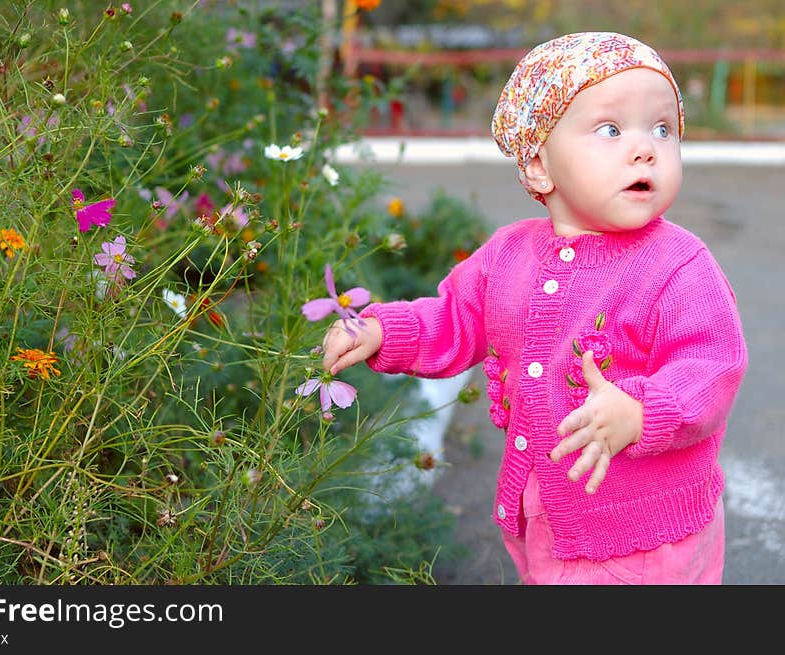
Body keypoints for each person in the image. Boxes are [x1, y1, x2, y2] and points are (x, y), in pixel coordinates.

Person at [320, 32, 748, 584]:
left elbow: (713, 364)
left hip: (646, 537)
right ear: (539, 165)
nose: (646, 148)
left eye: (663, 129)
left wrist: (644, 412)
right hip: (544, 516)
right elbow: (455, 317)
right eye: (611, 129)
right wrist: (382, 330)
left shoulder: (679, 264)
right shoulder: (508, 255)